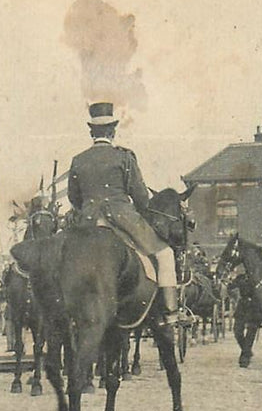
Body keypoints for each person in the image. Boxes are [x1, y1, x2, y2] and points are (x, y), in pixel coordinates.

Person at [67, 102, 180, 325]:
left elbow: (74, 197)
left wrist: (89, 209)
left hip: (87, 221)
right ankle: (171, 313)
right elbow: (140, 197)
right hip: (123, 219)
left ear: (92, 131)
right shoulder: (124, 158)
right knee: (165, 254)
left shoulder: (78, 160)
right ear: (112, 131)